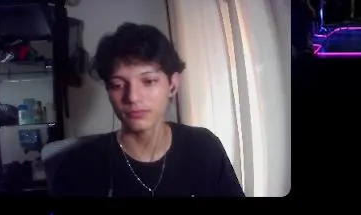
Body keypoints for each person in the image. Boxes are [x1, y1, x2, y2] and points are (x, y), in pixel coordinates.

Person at [49, 23, 245, 197]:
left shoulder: (204, 148)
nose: (133, 97)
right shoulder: (80, 165)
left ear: (173, 85)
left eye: (149, 81)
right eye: (118, 85)